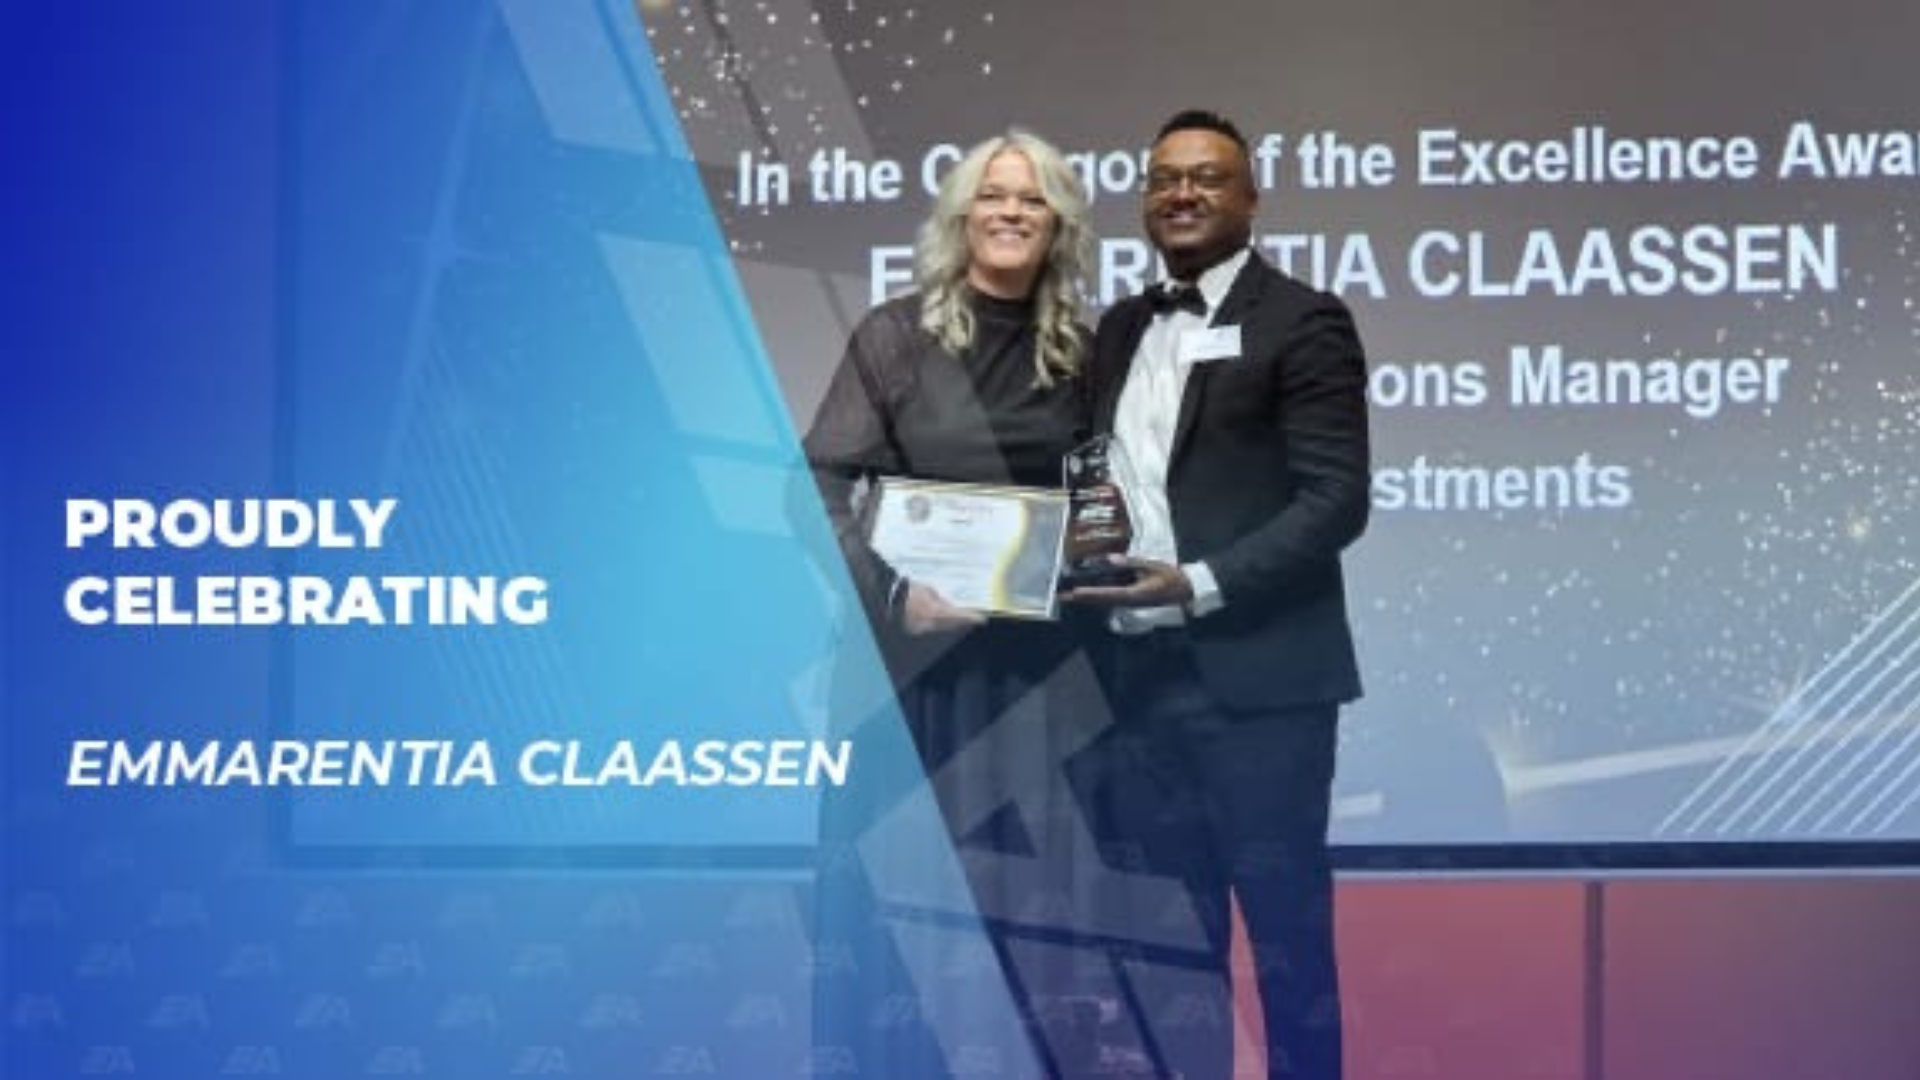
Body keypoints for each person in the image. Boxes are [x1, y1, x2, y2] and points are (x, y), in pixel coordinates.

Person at [1064, 109, 1372, 1080]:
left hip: (1261, 695)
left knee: (1287, 946)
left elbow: (1336, 501)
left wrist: (1198, 584)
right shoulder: (1118, 327)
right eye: (1164, 178)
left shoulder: (1303, 319)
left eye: (1205, 177)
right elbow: (1098, 480)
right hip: (1135, 687)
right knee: (1166, 955)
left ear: (1250, 199)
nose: (1182, 193)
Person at [802, 129, 1103, 1077]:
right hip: (908, 676)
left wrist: (1091, 547)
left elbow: (1107, 496)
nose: (1011, 211)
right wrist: (895, 593)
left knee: (1029, 915)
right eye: (994, 194)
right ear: (961, 214)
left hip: (1035, 681)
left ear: (1059, 223)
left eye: (1033, 198)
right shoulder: (896, 336)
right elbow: (814, 485)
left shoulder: (1087, 352)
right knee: (897, 912)